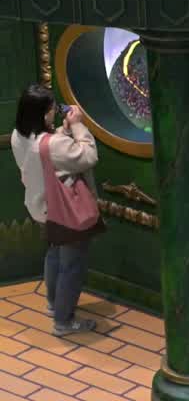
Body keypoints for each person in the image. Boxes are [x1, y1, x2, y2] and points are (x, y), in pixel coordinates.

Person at [11, 85, 102, 336]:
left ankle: (53, 303)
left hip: (40, 208)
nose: (54, 112)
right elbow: (87, 156)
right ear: (43, 114)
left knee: (54, 253)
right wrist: (78, 126)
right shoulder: (54, 145)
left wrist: (62, 130)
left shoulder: (17, 137)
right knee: (72, 265)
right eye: (52, 109)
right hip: (64, 213)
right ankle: (64, 321)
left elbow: (46, 152)